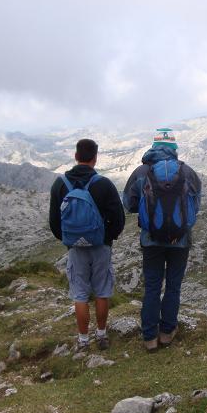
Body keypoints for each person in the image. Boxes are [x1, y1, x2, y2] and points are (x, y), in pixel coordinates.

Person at [123, 128, 201, 352]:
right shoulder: (189, 173)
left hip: (151, 241)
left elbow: (128, 204)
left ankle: (149, 337)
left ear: (153, 147)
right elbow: (195, 207)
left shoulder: (141, 172)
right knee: (173, 287)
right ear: (174, 149)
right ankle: (167, 333)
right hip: (181, 241)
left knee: (152, 287)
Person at [49, 138, 125, 352]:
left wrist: (70, 241)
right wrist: (107, 238)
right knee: (102, 291)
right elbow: (118, 219)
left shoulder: (60, 184)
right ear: (95, 158)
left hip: (75, 249)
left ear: (76, 156)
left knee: (80, 293)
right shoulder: (104, 184)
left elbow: (54, 222)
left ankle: (83, 340)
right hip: (101, 246)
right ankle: (101, 335)